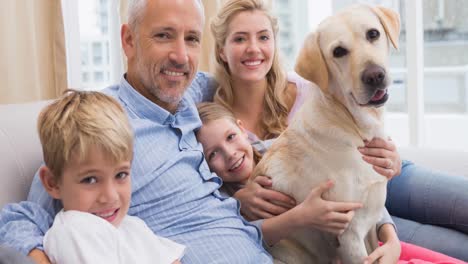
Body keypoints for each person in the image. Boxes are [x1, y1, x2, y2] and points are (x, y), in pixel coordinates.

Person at [0, 1, 359, 263]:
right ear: (128, 41)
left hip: (264, 247)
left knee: (382, 190)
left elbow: (254, 86)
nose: (181, 56)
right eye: (163, 36)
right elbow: (23, 216)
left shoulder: (193, 92)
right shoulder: (101, 124)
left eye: (191, 39)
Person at [209, 0, 468, 261]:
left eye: (263, 37)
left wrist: (393, 160)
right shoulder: (217, 124)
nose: (254, 48)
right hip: (346, 210)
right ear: (221, 50)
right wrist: (238, 201)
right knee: (458, 248)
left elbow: (368, 125)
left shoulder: (311, 87)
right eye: (240, 39)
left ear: (274, 43)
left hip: (386, 175)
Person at [195, 101, 466, 264]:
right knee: (456, 250)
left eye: (231, 137)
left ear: (243, 130)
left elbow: (354, 182)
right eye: (213, 154)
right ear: (203, 165)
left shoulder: (279, 149)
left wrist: (391, 238)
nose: (229, 154)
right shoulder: (222, 202)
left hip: (375, 201)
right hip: (352, 232)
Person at [36, 90, 185, 264]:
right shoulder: (73, 230)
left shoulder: (132, 226)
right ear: (52, 183)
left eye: (121, 175)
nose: (110, 196)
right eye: (90, 179)